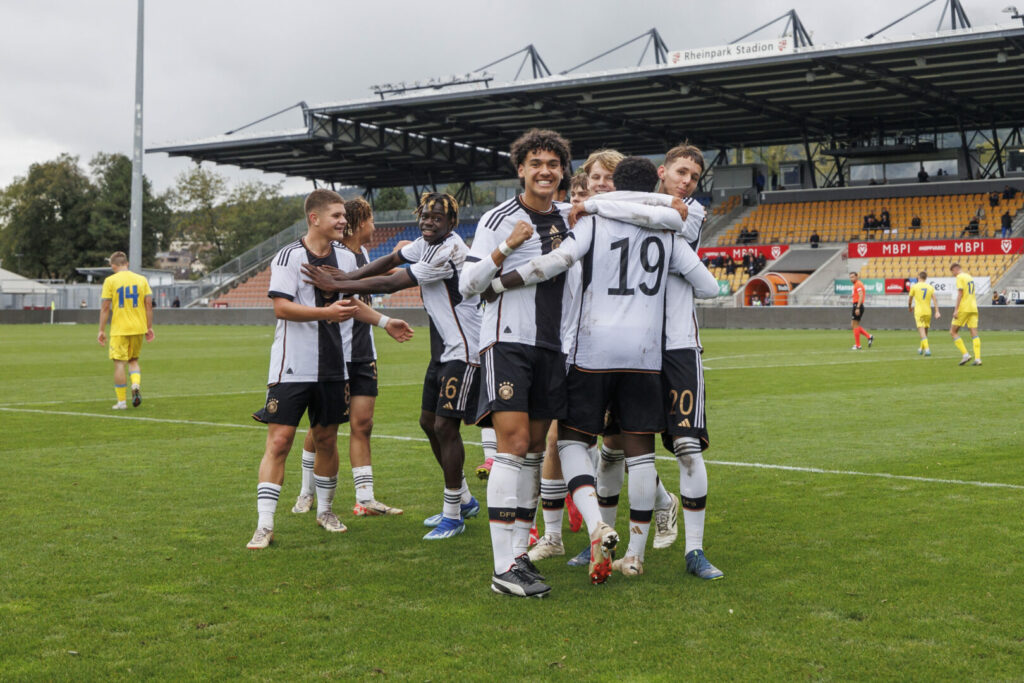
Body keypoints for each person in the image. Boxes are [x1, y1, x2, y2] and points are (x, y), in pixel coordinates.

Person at [484, 156, 719, 579]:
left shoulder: (594, 218)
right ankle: (636, 556)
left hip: (591, 350)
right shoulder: (668, 227)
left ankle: (595, 522)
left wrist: (501, 282)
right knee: (639, 455)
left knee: (572, 441)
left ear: (613, 185)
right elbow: (709, 286)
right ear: (657, 180)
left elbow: (556, 262)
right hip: (646, 355)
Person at [570, 143, 725, 580]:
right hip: (630, 347)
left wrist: (596, 205)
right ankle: (603, 537)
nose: (687, 183)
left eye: (694, 177)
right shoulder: (640, 205)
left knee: (688, 448)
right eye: (680, 173)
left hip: (675, 345)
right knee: (613, 447)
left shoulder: (687, 212)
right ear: (662, 171)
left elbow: (660, 219)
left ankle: (694, 551)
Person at [459, 129, 602, 597]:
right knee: (514, 445)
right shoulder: (499, 218)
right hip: (508, 342)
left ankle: (520, 554)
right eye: (535, 163)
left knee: (535, 450)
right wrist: (505, 247)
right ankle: (504, 568)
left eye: (553, 164)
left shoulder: (570, 217)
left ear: (563, 171)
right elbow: (468, 285)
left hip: (552, 348)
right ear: (520, 168)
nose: (545, 171)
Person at [302, 192, 482, 540]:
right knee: (428, 423)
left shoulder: (450, 251)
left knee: (446, 426)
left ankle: (453, 514)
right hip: (445, 350)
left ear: (452, 223)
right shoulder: (425, 243)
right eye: (425, 216)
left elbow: (392, 281)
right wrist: (347, 276)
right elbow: (388, 262)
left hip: (466, 350)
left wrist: (341, 283)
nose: (428, 222)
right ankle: (464, 499)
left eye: (437, 218)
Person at [246, 189, 413, 550]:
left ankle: (325, 511)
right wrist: (325, 314)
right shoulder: (289, 256)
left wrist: (385, 322)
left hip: (334, 368)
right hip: (292, 366)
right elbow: (281, 308)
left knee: (325, 439)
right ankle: (264, 525)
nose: (343, 221)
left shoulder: (346, 257)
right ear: (315, 218)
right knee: (279, 442)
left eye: (344, 216)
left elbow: (352, 304)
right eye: (336, 216)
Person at [288, 198, 403, 519]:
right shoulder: (331, 258)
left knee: (363, 423)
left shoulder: (362, 257)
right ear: (359, 223)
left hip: (364, 350)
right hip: (335, 353)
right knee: (322, 426)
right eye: (371, 221)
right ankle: (306, 492)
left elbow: (378, 280)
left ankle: (364, 498)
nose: (375, 227)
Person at [97, 251, 154, 409]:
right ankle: (135, 385)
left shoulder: (110, 281)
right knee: (133, 361)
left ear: (113, 266)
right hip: (138, 327)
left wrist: (101, 330)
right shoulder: (142, 280)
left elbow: (105, 307)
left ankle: (121, 402)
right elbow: (148, 305)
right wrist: (149, 327)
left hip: (120, 329)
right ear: (127, 264)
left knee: (119, 364)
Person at [949, 263, 981, 366]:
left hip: (964, 308)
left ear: (955, 270)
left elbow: (960, 293)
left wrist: (956, 309)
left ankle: (965, 354)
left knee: (953, 331)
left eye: (952, 272)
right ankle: (978, 359)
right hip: (973, 307)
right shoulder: (969, 276)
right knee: (974, 333)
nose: (953, 275)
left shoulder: (959, 277)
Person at [907, 271, 940, 356]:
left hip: (919, 311)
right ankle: (921, 348)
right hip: (928, 311)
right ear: (925, 278)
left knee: (921, 331)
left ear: (918, 277)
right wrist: (937, 311)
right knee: (925, 331)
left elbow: (910, 299)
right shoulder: (929, 287)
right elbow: (935, 299)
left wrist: (909, 307)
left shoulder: (914, 287)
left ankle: (927, 350)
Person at [849, 271, 874, 350]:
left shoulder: (858, 284)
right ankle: (869, 336)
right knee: (853, 325)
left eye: (853, 277)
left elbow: (861, 295)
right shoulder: (856, 284)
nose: (851, 279)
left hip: (857, 305)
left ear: (857, 277)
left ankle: (858, 345)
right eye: (850, 277)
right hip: (856, 305)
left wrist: (858, 307)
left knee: (855, 325)